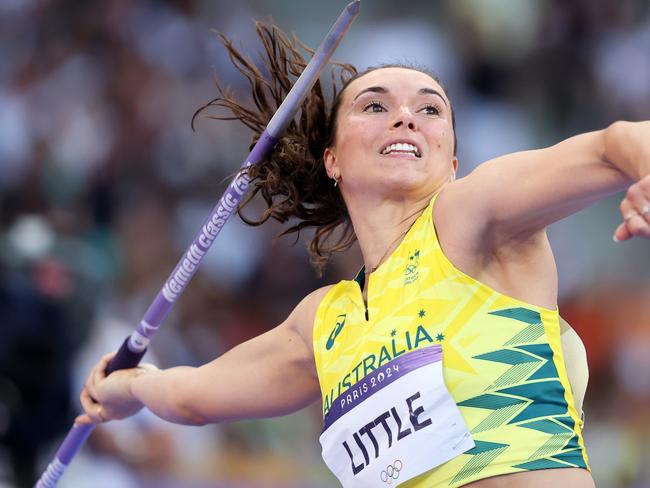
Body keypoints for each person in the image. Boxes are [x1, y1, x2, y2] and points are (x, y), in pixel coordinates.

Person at [76, 23, 650, 487]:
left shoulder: (472, 215)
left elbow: (614, 144)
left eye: (431, 111)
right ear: (333, 160)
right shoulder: (324, 323)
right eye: (375, 106)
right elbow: (192, 396)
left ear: (451, 160)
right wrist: (127, 388)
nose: (405, 117)